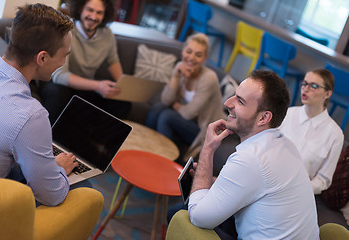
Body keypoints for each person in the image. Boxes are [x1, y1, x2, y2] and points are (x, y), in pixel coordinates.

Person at [188, 70, 319, 239]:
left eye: (240, 102)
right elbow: (259, 186)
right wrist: (212, 181)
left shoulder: (250, 159)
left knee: (180, 214)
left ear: (263, 118)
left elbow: (198, 217)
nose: (228, 103)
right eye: (235, 96)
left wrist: (207, 148)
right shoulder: (286, 144)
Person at [0, 3, 78, 207]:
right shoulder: (30, 114)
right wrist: (60, 170)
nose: (64, 63)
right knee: (83, 188)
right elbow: (51, 195)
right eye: (65, 55)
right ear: (43, 57)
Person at [39, 0, 131, 124]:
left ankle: (95, 140)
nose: (93, 17)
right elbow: (60, 76)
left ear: (105, 15)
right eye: (90, 10)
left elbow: (112, 60)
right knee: (57, 93)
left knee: (123, 103)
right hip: (60, 85)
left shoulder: (107, 35)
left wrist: (123, 86)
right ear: (80, 9)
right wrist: (98, 86)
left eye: (99, 12)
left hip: (85, 87)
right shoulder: (66, 31)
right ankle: (49, 139)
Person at [145, 33, 225, 161]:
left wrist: (175, 106)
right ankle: (145, 150)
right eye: (189, 51)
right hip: (188, 121)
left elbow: (189, 113)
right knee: (157, 108)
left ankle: (165, 162)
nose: (191, 58)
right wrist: (176, 77)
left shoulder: (208, 78)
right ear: (183, 50)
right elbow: (165, 100)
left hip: (204, 129)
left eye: (198, 55)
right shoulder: (180, 67)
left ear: (205, 58)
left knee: (167, 116)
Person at [279, 69, 344, 195]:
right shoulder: (289, 114)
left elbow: (323, 180)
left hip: (297, 192)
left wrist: (299, 190)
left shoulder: (335, 135)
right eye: (304, 84)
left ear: (328, 94)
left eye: (314, 86)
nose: (306, 89)